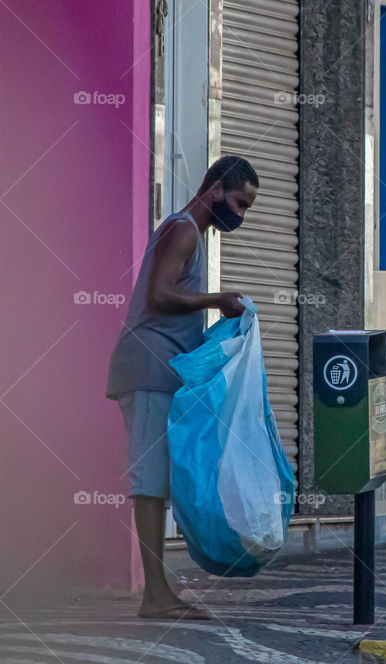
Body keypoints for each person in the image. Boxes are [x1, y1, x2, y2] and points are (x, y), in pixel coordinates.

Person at [106, 155, 259, 619]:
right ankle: (155, 596)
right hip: (148, 370)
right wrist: (217, 300)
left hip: (161, 372)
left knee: (159, 482)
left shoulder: (194, 232)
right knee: (150, 485)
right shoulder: (186, 229)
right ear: (214, 189)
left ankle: (160, 590)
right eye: (239, 202)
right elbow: (158, 295)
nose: (241, 215)